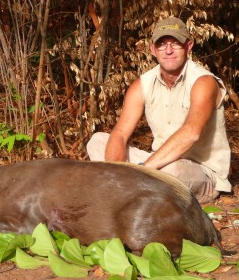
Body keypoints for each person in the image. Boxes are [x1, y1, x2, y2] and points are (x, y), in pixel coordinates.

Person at [86, 16, 231, 204]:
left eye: (175, 43)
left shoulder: (204, 82)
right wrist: (118, 172)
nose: (168, 50)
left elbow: (191, 133)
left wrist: (143, 170)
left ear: (189, 46)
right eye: (162, 44)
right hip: (156, 165)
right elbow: (120, 134)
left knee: (172, 171)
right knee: (98, 141)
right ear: (153, 50)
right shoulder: (142, 84)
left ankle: (130, 193)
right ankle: (125, 190)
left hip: (198, 171)